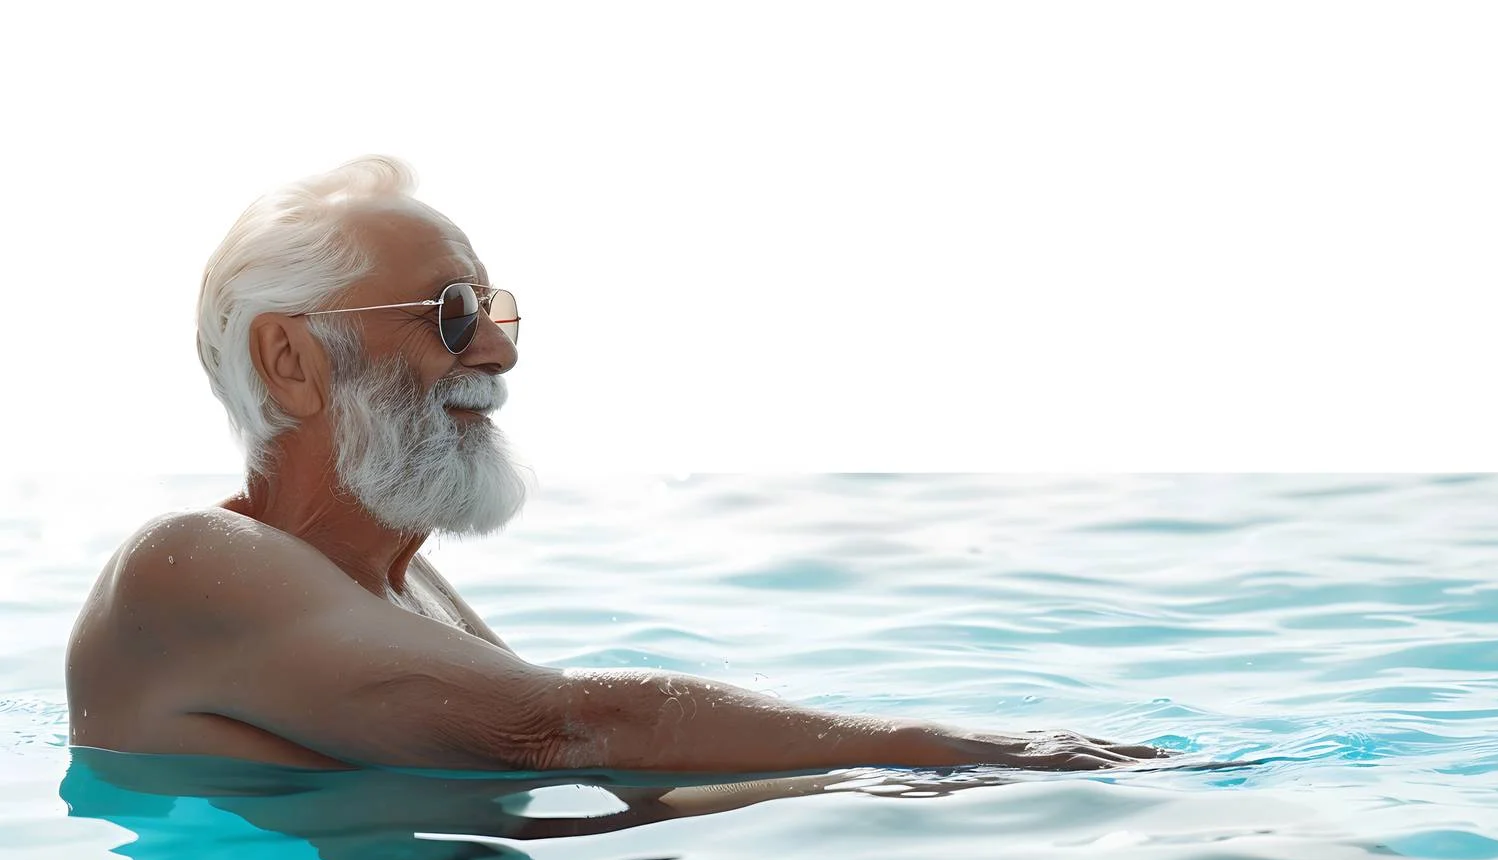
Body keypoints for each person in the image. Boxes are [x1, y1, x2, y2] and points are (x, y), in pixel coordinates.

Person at [65, 156, 1166, 774]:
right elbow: (563, 728)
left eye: (493, 310)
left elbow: (584, 773)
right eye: (451, 314)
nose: (498, 349)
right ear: (292, 360)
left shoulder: (401, 586)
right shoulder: (191, 565)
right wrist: (945, 755)